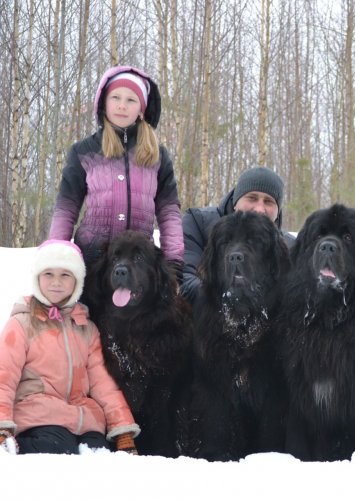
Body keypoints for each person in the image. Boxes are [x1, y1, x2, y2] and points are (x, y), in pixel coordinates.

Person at [0, 240, 140, 455]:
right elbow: (4, 377)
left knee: (98, 451)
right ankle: (13, 450)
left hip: (83, 418)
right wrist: (2, 425)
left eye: (65, 275)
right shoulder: (22, 323)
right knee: (57, 447)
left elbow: (103, 384)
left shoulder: (86, 328)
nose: (56, 282)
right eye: (48, 274)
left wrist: (122, 430)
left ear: (77, 281)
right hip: (37, 416)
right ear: (37, 278)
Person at [48, 66, 184, 277]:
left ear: (142, 109)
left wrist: (174, 263)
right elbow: (66, 210)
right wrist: (55, 257)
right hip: (93, 262)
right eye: (116, 97)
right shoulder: (84, 151)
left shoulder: (158, 156)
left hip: (139, 266)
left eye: (131, 100)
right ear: (104, 103)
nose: (122, 105)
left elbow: (169, 213)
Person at [180, 166, 296, 305]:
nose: (259, 208)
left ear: (278, 211)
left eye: (268, 201)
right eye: (252, 198)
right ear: (236, 201)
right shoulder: (198, 222)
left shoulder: (291, 246)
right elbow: (183, 277)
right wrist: (220, 296)